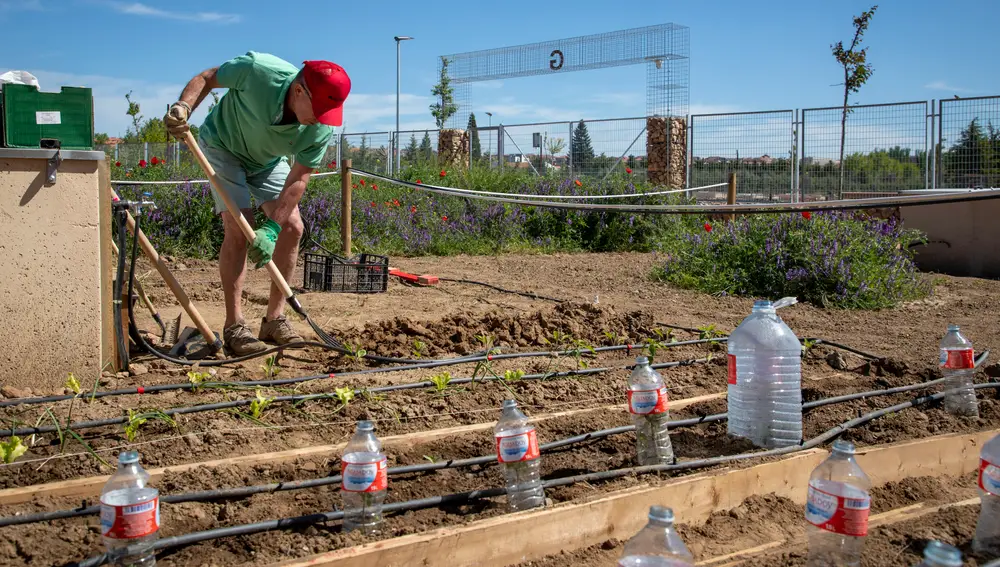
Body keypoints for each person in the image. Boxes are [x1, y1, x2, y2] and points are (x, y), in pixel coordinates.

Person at [163, 52, 351, 355]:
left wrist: (273, 228)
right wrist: (184, 107)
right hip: (223, 146)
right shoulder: (258, 70)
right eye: (320, 109)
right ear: (299, 90)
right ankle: (234, 325)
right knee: (240, 227)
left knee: (292, 227)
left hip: (266, 160)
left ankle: (274, 320)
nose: (321, 119)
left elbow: (299, 179)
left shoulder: (320, 126)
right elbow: (208, 77)